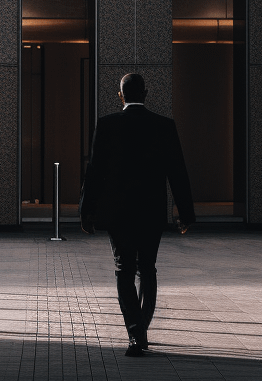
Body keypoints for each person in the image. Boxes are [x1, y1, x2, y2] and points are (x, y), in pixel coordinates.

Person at [79, 72, 195, 356]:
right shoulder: (164, 126)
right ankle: (141, 327)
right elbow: (177, 171)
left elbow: (94, 172)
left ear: (120, 96)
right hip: (151, 211)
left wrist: (86, 211)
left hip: (118, 213)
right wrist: (185, 212)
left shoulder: (107, 125)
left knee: (124, 269)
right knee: (148, 269)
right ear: (145, 94)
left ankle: (136, 333)